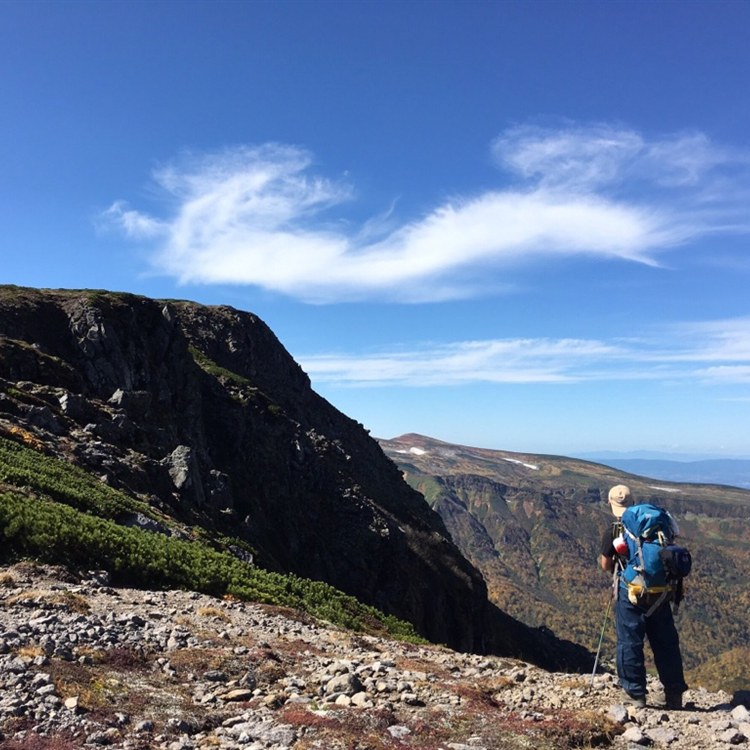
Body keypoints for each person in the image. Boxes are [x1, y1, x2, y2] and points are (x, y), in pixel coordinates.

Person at [600, 484, 688, 709]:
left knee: (630, 641)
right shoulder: (659, 523)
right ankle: (674, 695)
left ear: (610, 503)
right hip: (662, 592)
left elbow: (606, 566)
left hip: (631, 591)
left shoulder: (615, 530)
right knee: (666, 642)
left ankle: (635, 694)